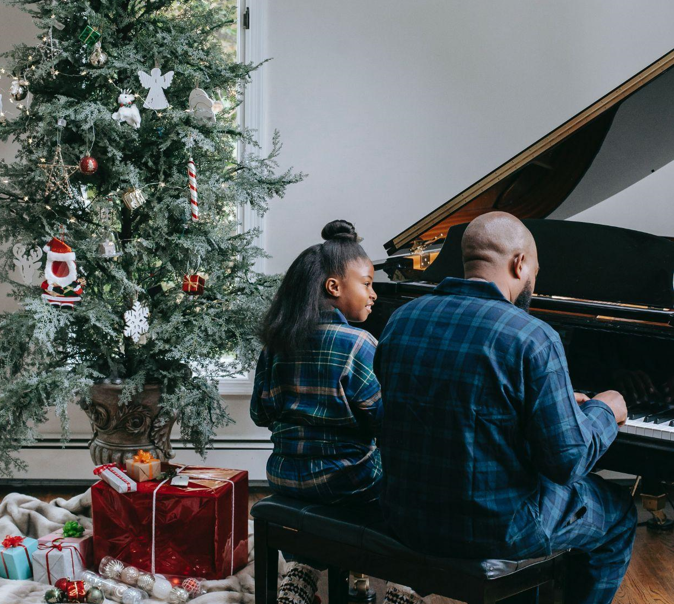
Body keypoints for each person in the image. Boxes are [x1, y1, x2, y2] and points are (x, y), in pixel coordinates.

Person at [374, 211, 637, 604]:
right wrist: (604, 409)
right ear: (519, 263)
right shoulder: (533, 336)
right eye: (535, 270)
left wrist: (550, 403)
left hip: (406, 517)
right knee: (618, 515)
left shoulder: (400, 321)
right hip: (498, 530)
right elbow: (566, 464)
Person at [252, 220, 414, 604]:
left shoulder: (277, 343)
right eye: (368, 283)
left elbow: (261, 413)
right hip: (350, 484)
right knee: (411, 485)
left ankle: (302, 570)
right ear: (334, 287)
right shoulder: (359, 343)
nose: (373, 294)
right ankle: (403, 583)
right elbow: (383, 422)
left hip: (285, 480)